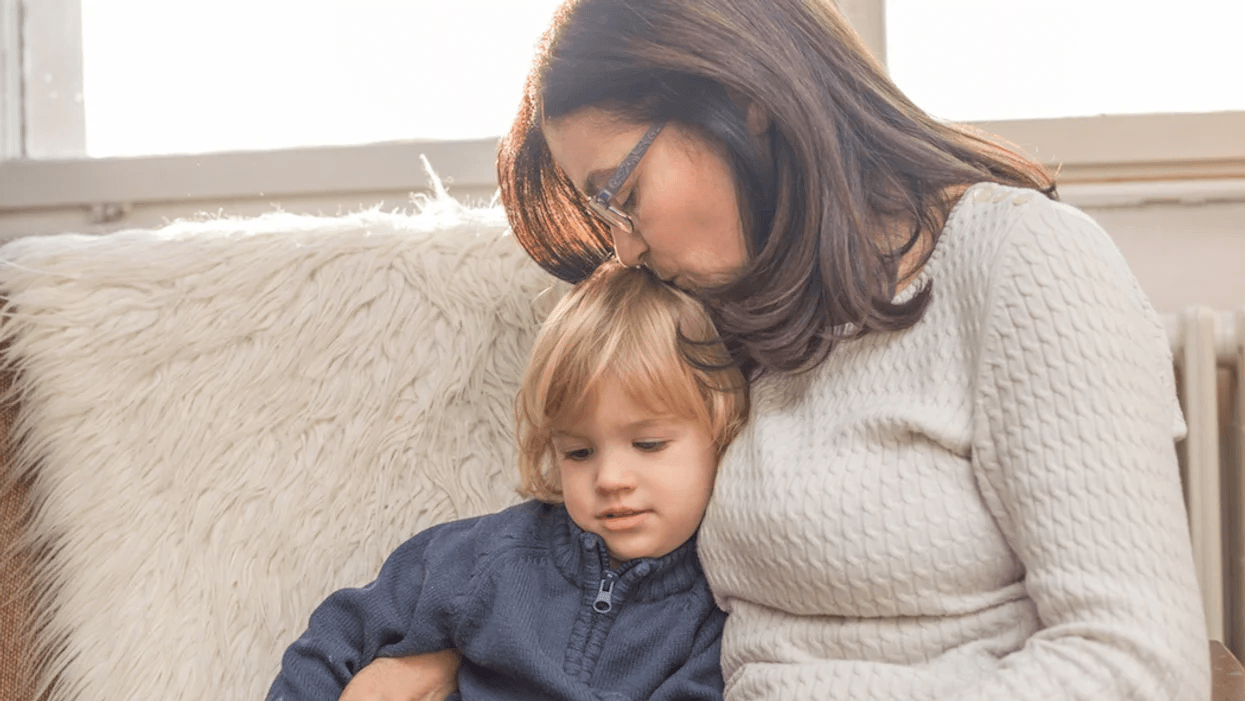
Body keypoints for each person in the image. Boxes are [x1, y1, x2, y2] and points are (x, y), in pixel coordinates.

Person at [352, 0, 1211, 699]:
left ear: (740, 95)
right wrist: (451, 654)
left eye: (620, 194)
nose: (620, 250)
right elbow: (611, 557)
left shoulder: (1024, 261)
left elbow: (1136, 663)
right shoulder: (716, 314)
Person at [267, 260, 747, 701]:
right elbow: (337, 636)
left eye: (648, 445)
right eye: (578, 452)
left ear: (720, 433)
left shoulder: (720, 606)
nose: (611, 479)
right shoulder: (493, 554)